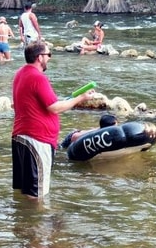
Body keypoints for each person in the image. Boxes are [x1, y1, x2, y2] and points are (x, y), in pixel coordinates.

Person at [12, 40, 94, 199]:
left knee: (25, 191)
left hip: (21, 137)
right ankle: (37, 216)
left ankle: (23, 215)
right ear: (39, 57)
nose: (50, 57)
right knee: (37, 194)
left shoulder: (20, 73)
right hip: (37, 140)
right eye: (48, 54)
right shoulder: (38, 77)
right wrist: (81, 98)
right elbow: (54, 107)